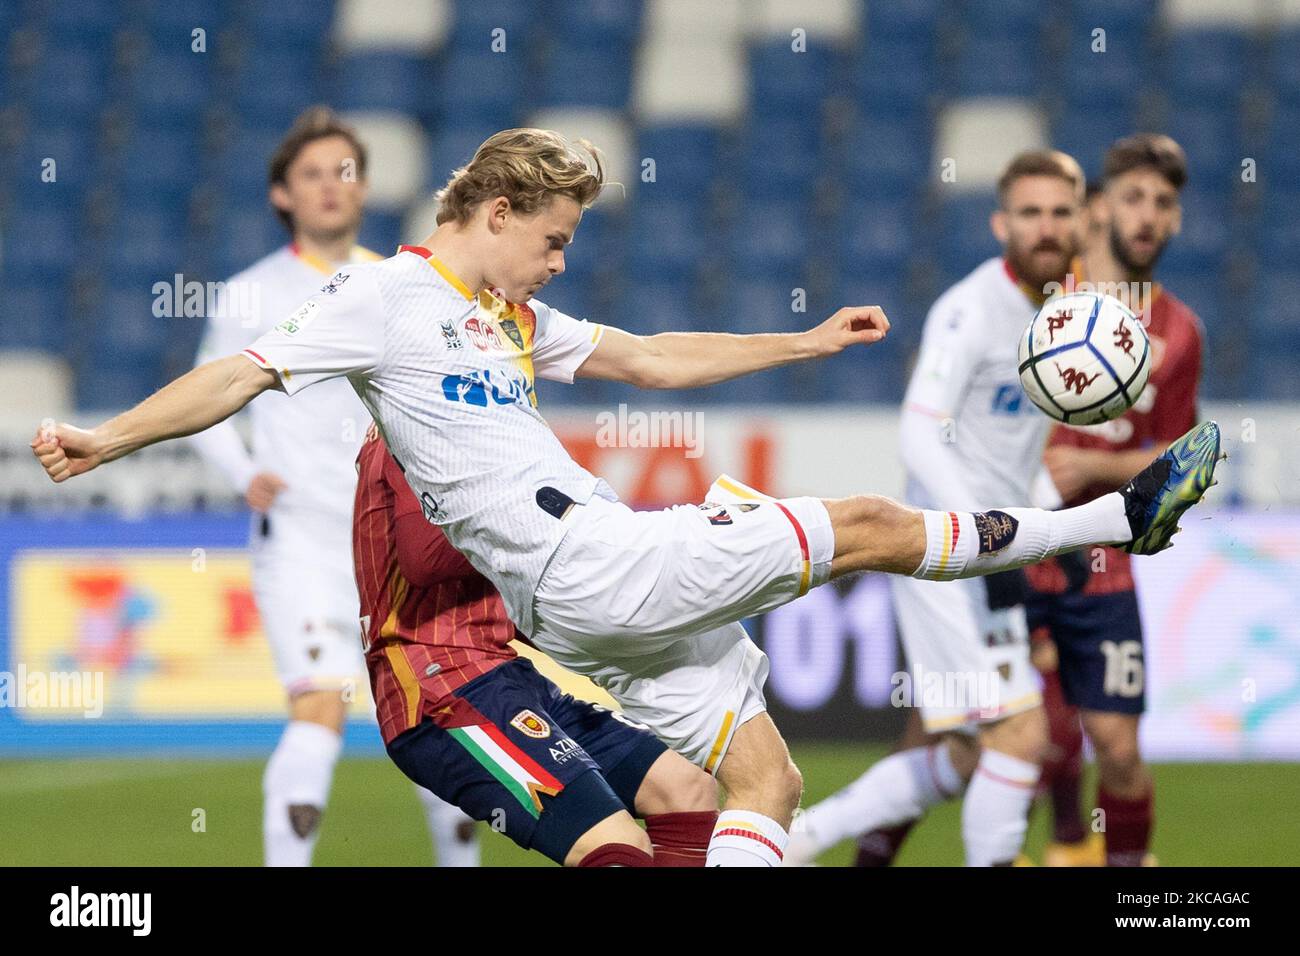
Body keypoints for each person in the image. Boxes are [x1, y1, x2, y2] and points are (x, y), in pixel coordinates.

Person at [32, 127, 1223, 870]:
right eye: (550, 240)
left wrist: (801, 344)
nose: (558, 264)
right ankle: (1124, 519)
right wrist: (107, 435)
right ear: (494, 213)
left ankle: (1124, 519)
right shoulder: (379, 300)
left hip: (589, 586)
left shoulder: (507, 314)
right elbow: (236, 373)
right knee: (865, 523)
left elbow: (651, 356)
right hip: (584, 569)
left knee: (763, 780)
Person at [788, 151, 1094, 867]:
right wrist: (984, 538)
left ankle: (795, 841)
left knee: (960, 756)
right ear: (1000, 223)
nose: (1045, 227)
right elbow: (920, 431)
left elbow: (1013, 453)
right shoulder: (970, 309)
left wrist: (1056, 530)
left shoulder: (1062, 313)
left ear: (1081, 219)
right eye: (1029, 212)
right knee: (1021, 737)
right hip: (944, 554)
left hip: (992, 545)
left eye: (1059, 212)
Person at [190, 106, 476, 866]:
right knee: (319, 706)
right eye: (311, 174)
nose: (329, 187)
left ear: (364, 188)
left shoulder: (399, 285)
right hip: (304, 539)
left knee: (439, 713)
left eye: (344, 172)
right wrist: (245, 472)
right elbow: (204, 400)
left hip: (394, 542)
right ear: (283, 194)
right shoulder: (250, 294)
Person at [355, 423, 719, 865]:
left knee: (685, 787)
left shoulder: (483, 422)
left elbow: (514, 590)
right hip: (439, 690)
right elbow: (424, 558)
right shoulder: (417, 418)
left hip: (503, 675)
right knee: (616, 848)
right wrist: (538, 522)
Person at [1028, 133, 1203, 868]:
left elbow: (1179, 454)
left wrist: (1096, 469)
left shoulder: (1180, 332)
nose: (1148, 216)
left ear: (1177, 222)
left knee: (1121, 751)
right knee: (1035, 739)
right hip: (1013, 547)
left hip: (1103, 561)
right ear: (1098, 210)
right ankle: (1067, 844)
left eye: (1164, 203)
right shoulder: (1037, 299)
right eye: (1133, 197)